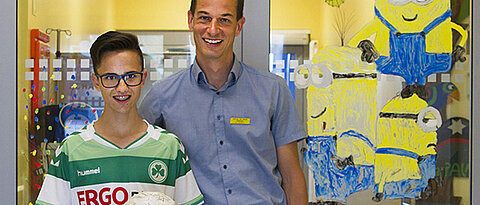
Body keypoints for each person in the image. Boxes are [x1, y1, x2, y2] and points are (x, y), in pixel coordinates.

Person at [139, 0, 308, 204]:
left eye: (224, 20)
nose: (213, 29)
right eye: (204, 18)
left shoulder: (274, 90)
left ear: (238, 26)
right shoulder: (161, 97)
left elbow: (291, 177)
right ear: (190, 20)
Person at [36, 31, 204, 205]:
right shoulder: (70, 151)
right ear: (96, 81)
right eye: (110, 78)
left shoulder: (170, 149)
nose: (122, 88)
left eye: (130, 76)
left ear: (143, 78)